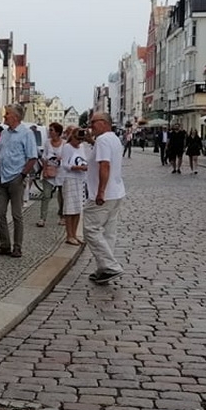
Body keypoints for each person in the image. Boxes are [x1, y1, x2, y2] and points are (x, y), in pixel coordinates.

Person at [0, 104, 38, 259]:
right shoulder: (4, 133)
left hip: (15, 177)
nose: (5, 117)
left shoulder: (26, 134)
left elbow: (32, 157)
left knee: (17, 215)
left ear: (15, 117)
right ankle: (4, 245)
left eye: (7, 114)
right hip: (0, 177)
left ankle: (17, 247)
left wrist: (22, 175)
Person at [85, 112, 126, 284]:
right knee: (109, 232)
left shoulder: (102, 140)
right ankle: (103, 269)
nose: (90, 125)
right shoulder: (113, 138)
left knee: (91, 230)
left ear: (104, 123)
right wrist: (91, 142)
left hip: (103, 194)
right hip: (117, 192)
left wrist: (100, 191)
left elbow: (105, 165)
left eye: (93, 122)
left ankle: (110, 266)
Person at [60, 127, 88, 245]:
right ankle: (69, 235)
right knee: (70, 208)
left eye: (81, 140)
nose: (79, 142)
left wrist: (84, 166)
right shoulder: (67, 147)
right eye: (77, 139)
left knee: (78, 208)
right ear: (73, 137)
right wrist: (78, 167)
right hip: (70, 178)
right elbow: (65, 165)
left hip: (80, 179)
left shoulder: (81, 147)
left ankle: (75, 234)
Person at [38, 122, 65, 228]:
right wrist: (44, 170)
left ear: (57, 132)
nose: (49, 132)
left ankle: (62, 216)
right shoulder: (47, 142)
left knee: (62, 196)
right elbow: (44, 157)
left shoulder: (65, 144)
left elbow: (67, 157)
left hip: (61, 172)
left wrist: (60, 159)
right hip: (49, 171)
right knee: (46, 195)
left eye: (51, 130)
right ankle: (42, 218)